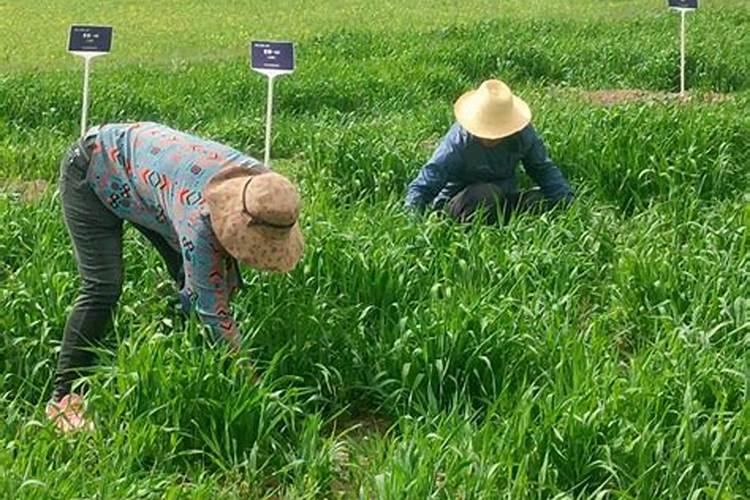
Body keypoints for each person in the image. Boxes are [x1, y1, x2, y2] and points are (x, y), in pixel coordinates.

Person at [46, 122, 304, 432]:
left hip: (144, 176)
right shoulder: (198, 217)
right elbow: (210, 307)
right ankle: (62, 398)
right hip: (93, 168)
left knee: (191, 274)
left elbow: (219, 277)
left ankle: (176, 357)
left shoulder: (265, 188)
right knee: (103, 286)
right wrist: (255, 388)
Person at [405, 79, 574, 224]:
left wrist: (567, 203)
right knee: (486, 194)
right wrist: (413, 219)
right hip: (463, 203)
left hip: (504, 198)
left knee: (538, 201)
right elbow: (426, 181)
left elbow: (542, 168)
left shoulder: (522, 135)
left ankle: (501, 224)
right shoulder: (458, 143)